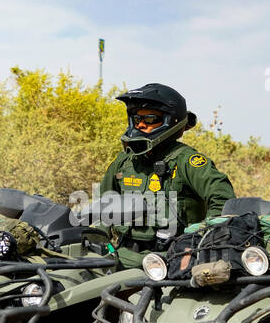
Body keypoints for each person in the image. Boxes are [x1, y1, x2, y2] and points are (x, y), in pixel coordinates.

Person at [97, 83, 234, 261]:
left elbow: (224, 200)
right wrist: (98, 240)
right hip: (125, 255)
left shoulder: (187, 160)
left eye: (150, 119)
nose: (141, 125)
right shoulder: (125, 161)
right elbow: (104, 203)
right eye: (137, 119)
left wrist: (202, 240)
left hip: (173, 257)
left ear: (171, 120)